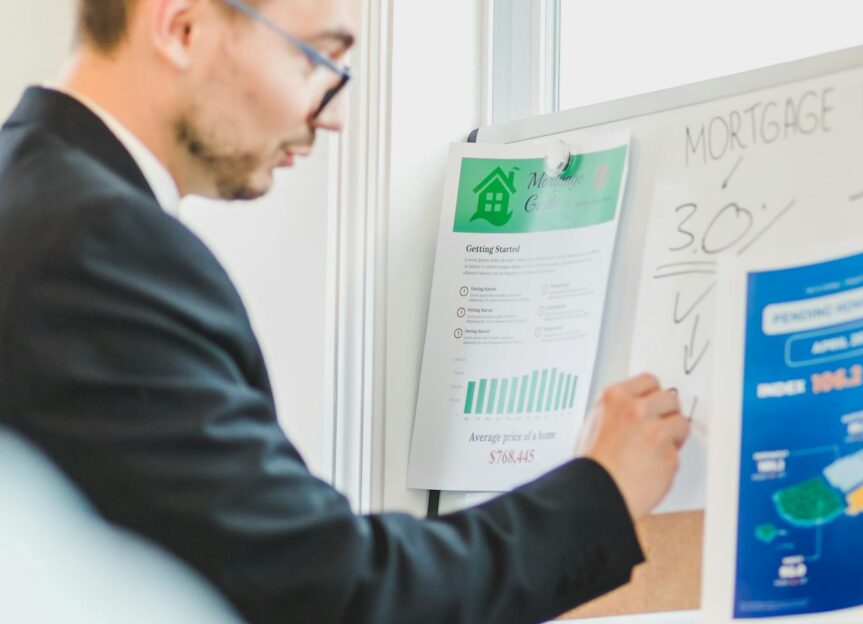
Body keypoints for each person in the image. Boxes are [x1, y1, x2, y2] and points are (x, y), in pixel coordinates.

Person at [0, 1, 691, 622]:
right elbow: (325, 591)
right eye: (317, 58)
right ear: (181, 28)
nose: (332, 114)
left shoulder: (32, 194)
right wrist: (599, 493)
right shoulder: (100, 243)